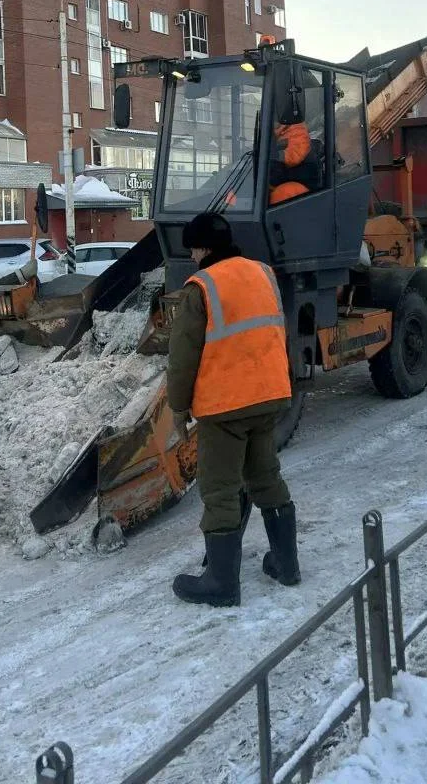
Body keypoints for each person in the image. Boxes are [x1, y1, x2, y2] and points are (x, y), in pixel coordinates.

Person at [167, 211, 300, 607]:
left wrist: (178, 407)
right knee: (266, 478)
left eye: (193, 249)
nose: (192, 257)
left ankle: (221, 584)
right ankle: (286, 564)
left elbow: (182, 357)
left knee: (221, 489)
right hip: (270, 394)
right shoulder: (263, 273)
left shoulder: (201, 287)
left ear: (205, 248)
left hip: (226, 407)